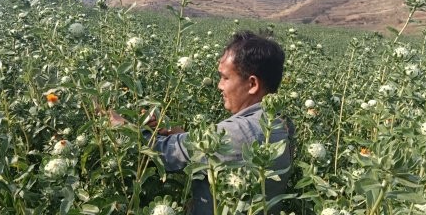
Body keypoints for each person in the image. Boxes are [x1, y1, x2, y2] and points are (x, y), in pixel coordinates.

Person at [110, 30, 293, 214]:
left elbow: (164, 153)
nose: (219, 85)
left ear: (253, 84)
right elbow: (218, 154)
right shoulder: (282, 122)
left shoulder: (240, 131)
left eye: (225, 77)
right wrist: (179, 134)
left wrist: (122, 127)